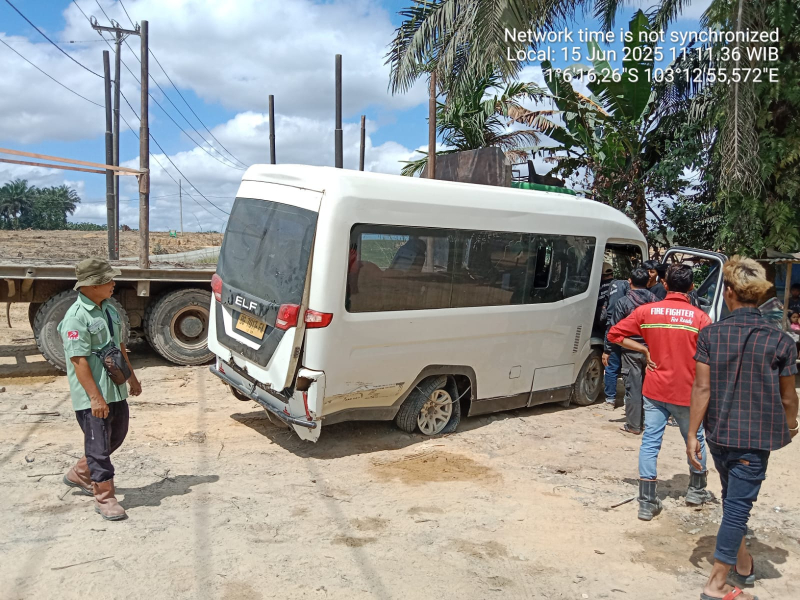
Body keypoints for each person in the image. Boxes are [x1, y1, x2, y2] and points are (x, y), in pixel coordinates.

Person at [688, 256, 798, 600]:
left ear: (729, 292)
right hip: (754, 439)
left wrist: (691, 434)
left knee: (731, 499)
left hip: (718, 434)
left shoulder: (710, 335)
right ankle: (716, 585)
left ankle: (743, 563)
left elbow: (701, 388)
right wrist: (791, 424)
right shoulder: (780, 341)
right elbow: (789, 396)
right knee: (737, 507)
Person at [607, 264, 713, 520]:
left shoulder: (647, 311)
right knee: (695, 438)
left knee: (650, 442)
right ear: (691, 287)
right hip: (688, 392)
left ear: (664, 284)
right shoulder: (701, 318)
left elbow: (614, 334)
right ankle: (696, 491)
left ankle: (646, 502)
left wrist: (644, 349)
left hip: (655, 390)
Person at [59, 258, 142, 521]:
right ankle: (105, 498)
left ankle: (81, 473)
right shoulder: (76, 318)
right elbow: (78, 361)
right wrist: (95, 398)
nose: (113, 283)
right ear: (93, 285)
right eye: (108, 280)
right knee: (98, 447)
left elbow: (119, 346)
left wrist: (132, 378)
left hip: (114, 389)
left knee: (117, 434)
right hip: (92, 396)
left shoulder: (109, 309)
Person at [604, 267, 658, 431]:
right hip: (653, 351)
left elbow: (613, 328)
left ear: (629, 282)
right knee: (650, 390)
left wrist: (607, 350)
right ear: (648, 282)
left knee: (633, 389)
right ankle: (650, 424)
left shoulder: (623, 302)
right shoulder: (656, 302)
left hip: (630, 350)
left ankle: (634, 425)